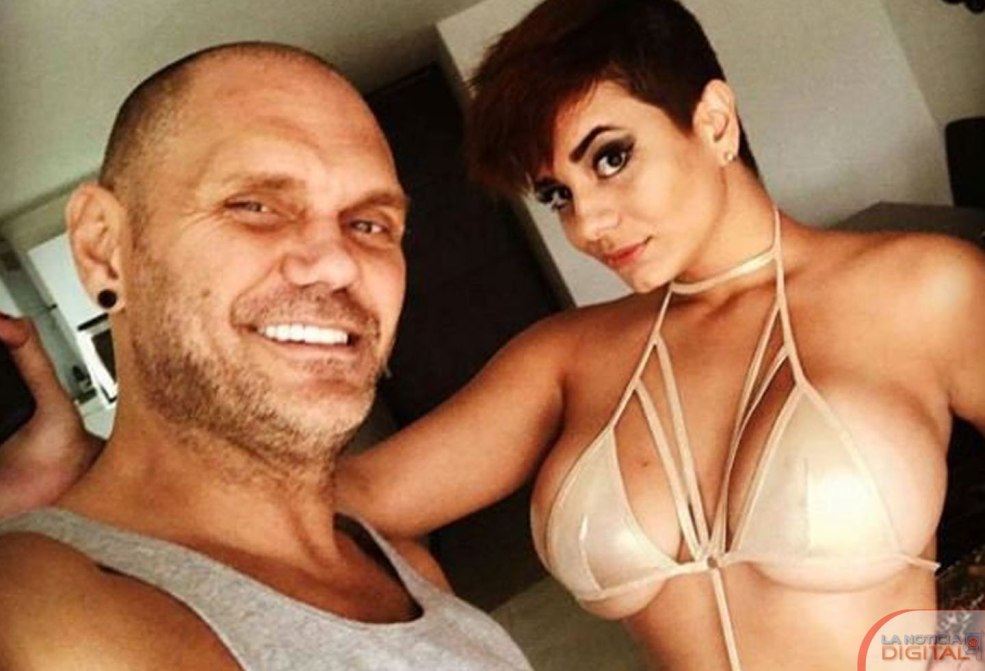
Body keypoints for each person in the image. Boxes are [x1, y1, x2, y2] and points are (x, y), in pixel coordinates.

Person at [4, 1, 985, 670]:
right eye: (556, 192)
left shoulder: (921, 287)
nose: (587, 222)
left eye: (611, 157)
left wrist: (955, 645)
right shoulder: (566, 359)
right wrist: (97, 486)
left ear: (715, 121)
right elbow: (302, 514)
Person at [0, 43, 531, 671]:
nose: (337, 265)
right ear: (105, 251)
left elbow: (563, 367)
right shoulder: (44, 611)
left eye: (370, 224)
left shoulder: (400, 562)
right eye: (254, 206)